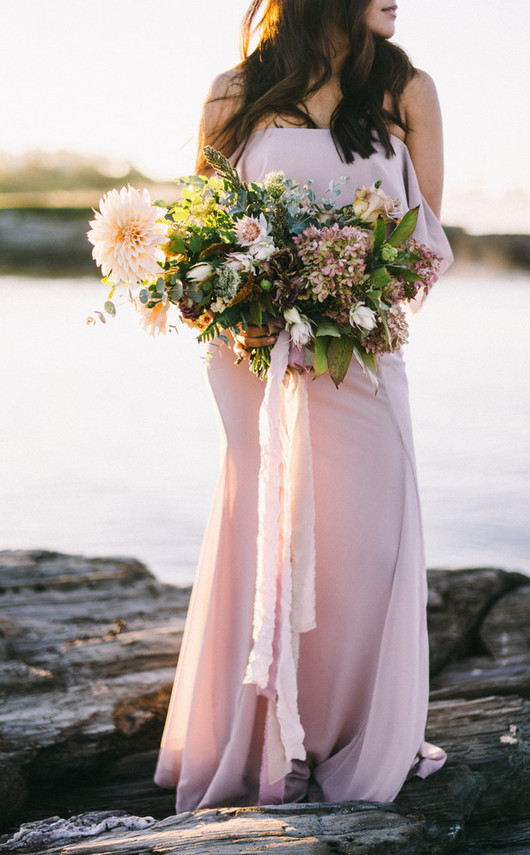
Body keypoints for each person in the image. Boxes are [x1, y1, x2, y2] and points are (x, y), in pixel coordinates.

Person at [154, 0, 453, 812]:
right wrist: (247, 295)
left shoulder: (407, 90)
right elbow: (198, 231)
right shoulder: (234, 94)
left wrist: (354, 284)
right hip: (251, 353)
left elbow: (424, 241)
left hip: (363, 353)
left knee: (369, 544)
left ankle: (347, 734)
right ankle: (268, 742)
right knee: (269, 538)